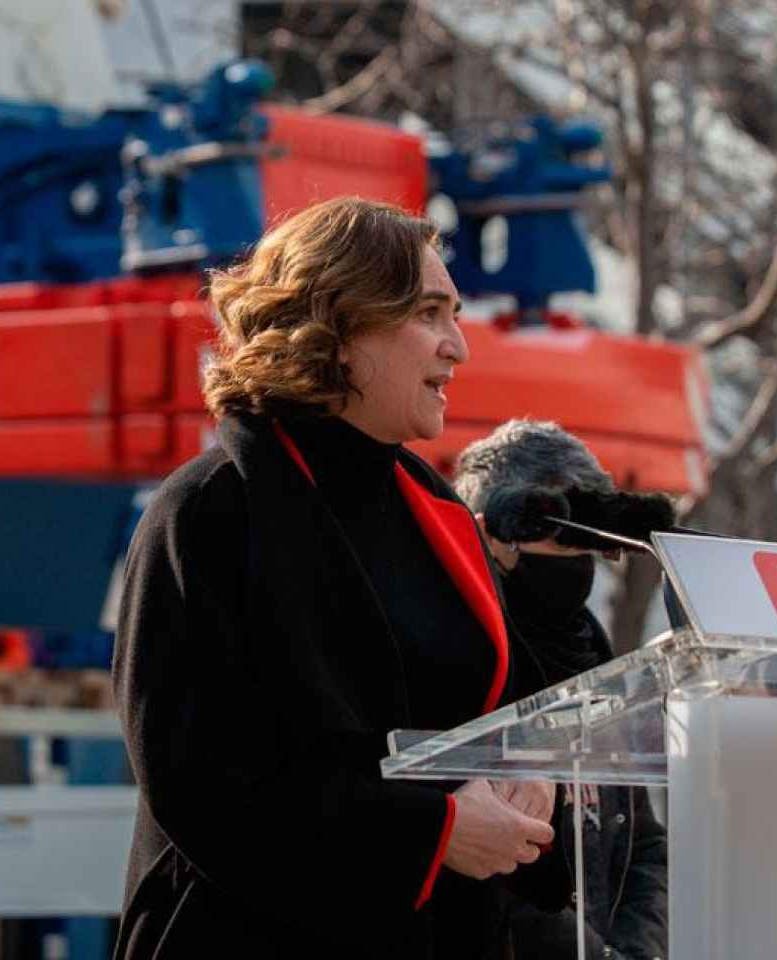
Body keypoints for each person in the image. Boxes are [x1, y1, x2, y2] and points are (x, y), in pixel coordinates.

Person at [110, 197, 563, 959]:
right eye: (430, 313)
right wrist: (432, 835)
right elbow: (203, 785)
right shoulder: (208, 510)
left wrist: (533, 777)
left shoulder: (436, 509)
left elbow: (517, 710)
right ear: (341, 328)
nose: (459, 346)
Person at [454, 419, 671, 960]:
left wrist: (635, 952)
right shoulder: (458, 667)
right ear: (490, 534)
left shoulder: (596, 661)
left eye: (585, 540)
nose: (577, 560)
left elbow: (645, 844)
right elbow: (491, 874)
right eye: (556, 532)